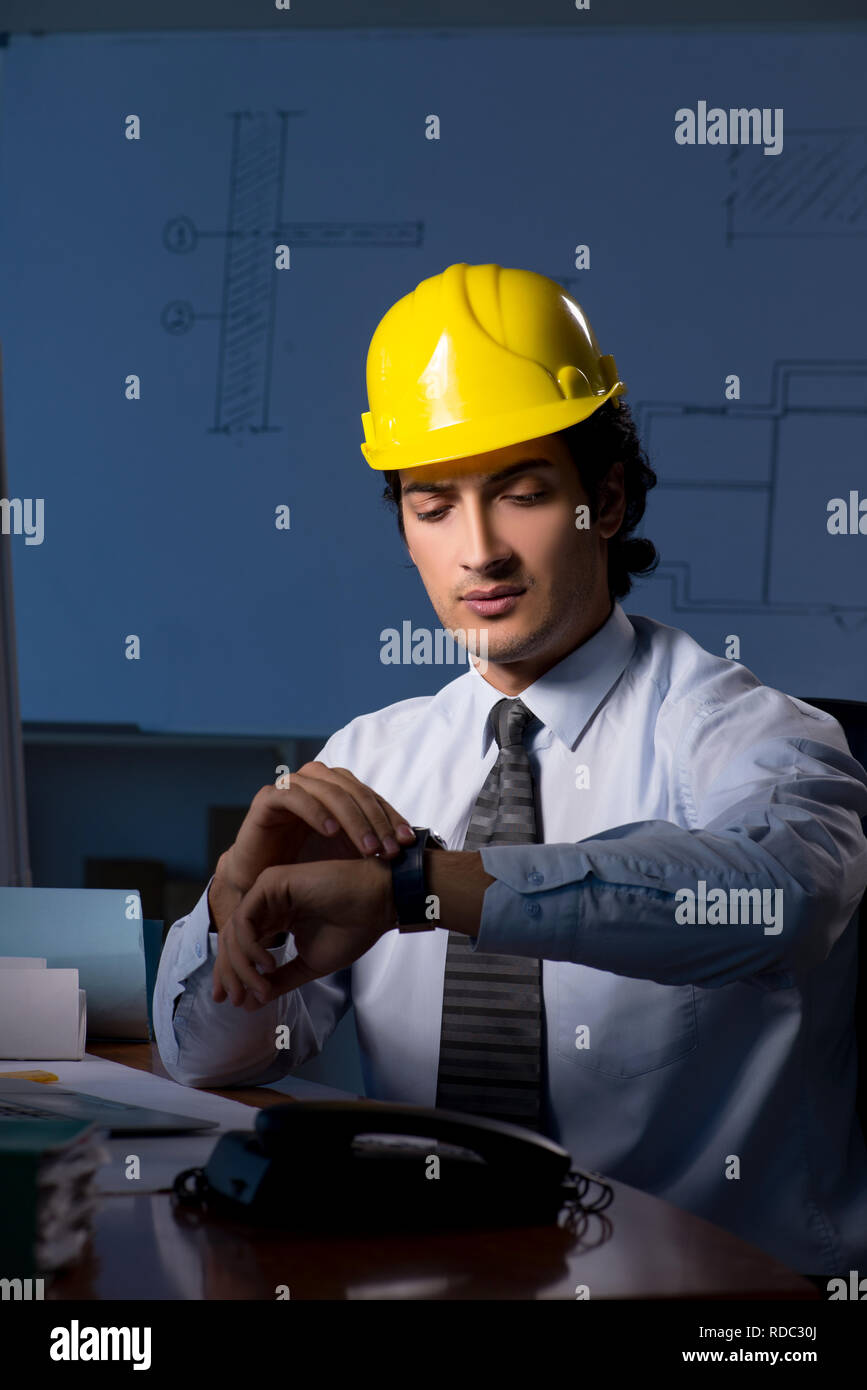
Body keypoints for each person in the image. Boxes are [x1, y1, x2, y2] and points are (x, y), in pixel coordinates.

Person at [154, 262, 867, 1279]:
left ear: (606, 498)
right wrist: (237, 922)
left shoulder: (755, 733)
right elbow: (207, 1058)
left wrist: (421, 890)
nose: (478, 550)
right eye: (433, 505)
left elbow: (776, 897)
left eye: (523, 493)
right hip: (434, 1280)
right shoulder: (370, 759)